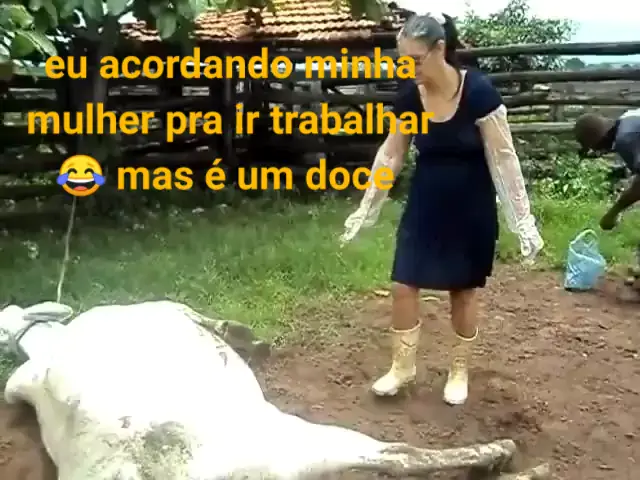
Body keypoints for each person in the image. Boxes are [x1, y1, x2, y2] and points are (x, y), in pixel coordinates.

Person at [340, 13, 543, 406]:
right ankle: (402, 368)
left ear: (440, 49)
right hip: (425, 202)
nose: (408, 68)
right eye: (403, 61)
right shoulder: (409, 96)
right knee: (403, 284)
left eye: (415, 60)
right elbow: (391, 155)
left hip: (470, 206)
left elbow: (503, 159)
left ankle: (459, 371)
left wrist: (523, 221)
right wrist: (367, 207)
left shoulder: (478, 92)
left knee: (462, 291)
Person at [574, 109, 640, 231]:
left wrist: (613, 213)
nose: (599, 152)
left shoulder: (626, 139)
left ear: (599, 140)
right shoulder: (628, 118)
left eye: (595, 148)